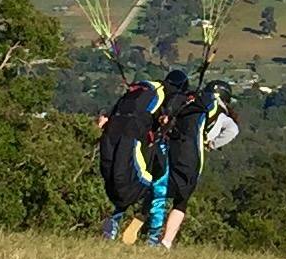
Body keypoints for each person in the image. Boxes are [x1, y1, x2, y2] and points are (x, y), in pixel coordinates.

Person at [153, 72, 241, 249]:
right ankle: (166, 240)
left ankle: (148, 227)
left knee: (159, 186)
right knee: (182, 198)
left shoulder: (190, 103)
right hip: (192, 153)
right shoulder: (219, 114)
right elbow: (233, 131)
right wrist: (212, 144)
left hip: (170, 146)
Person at [94, 76, 168, 245]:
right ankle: (146, 224)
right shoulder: (159, 95)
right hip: (133, 140)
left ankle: (115, 219)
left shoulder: (130, 97)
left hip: (113, 137)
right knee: (148, 183)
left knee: (118, 182)